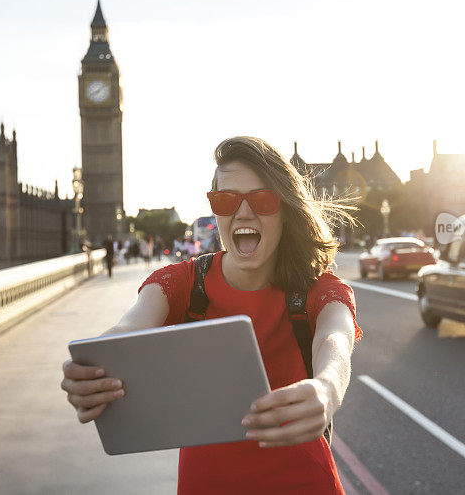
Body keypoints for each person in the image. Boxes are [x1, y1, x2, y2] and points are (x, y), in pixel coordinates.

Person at [61, 136, 362, 494]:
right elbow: (128, 327)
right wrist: (94, 365)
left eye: (262, 199)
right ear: (215, 209)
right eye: (227, 199)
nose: (243, 213)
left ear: (285, 210)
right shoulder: (183, 283)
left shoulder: (318, 288)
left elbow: (336, 340)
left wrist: (326, 389)